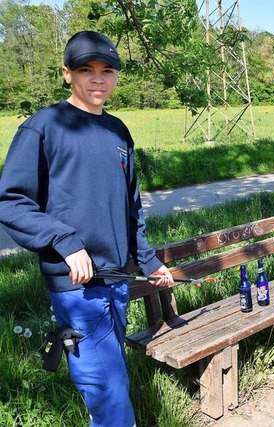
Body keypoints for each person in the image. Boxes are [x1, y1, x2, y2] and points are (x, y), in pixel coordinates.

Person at [0, 31, 174, 427]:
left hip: (116, 279)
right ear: (67, 74)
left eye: (107, 70)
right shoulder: (44, 127)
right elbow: (11, 201)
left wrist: (148, 260)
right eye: (86, 69)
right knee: (107, 388)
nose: (98, 79)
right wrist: (63, 240)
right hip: (76, 286)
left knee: (111, 381)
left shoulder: (118, 132)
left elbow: (131, 206)